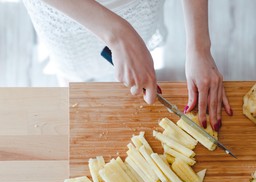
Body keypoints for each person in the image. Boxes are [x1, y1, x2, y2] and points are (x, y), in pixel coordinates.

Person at [23, 0, 232, 131]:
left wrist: (200, 47)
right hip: (67, 11)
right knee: (73, 68)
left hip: (137, 7)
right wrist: (118, 33)